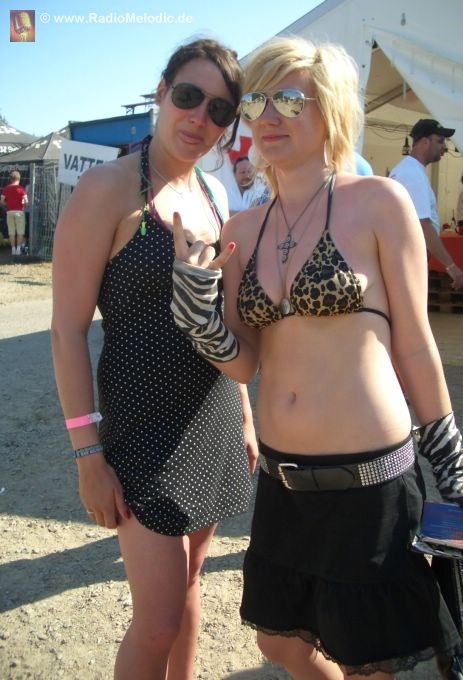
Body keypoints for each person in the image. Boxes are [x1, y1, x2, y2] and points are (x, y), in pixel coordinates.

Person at [169, 36, 463, 679]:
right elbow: (243, 363)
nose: (269, 116)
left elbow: (415, 343)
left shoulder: (379, 202)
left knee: (368, 658)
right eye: (257, 101)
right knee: (279, 641)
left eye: (290, 100)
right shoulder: (242, 229)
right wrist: (197, 309)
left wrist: (453, 470)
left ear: (332, 109)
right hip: (283, 483)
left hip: (371, 482)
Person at [51, 39, 257, 680]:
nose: (200, 118)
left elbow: (224, 323)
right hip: (141, 433)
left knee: (190, 584)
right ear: (162, 91)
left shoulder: (215, 195)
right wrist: (87, 454)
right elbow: (66, 331)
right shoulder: (107, 189)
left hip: (213, 420)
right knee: (157, 620)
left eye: (219, 110)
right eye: (189, 97)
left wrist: (245, 414)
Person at [390, 119, 463, 290]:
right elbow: (422, 225)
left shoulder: (411, 171)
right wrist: (451, 266)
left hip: (405, 257)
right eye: (440, 141)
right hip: (407, 258)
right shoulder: (412, 174)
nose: (444, 147)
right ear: (424, 142)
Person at [0, 170, 28, 255]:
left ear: (10, 179)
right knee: (20, 231)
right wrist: (23, 205)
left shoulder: (6, 189)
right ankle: (18, 249)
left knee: (11, 232)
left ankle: (13, 249)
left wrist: (7, 205)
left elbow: (1, 201)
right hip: (19, 212)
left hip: (9, 212)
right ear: (19, 179)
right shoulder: (21, 189)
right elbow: (26, 202)